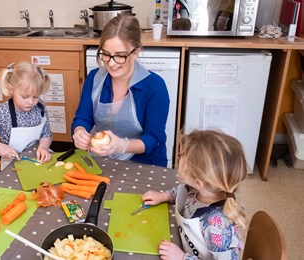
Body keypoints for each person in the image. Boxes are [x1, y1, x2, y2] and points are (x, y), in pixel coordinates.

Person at [71, 13, 170, 167]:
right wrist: (79, 132)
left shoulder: (155, 87)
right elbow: (83, 118)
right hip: (103, 159)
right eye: (106, 54)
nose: (111, 63)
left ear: (136, 52)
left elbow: (153, 139)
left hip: (144, 162)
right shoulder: (95, 79)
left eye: (120, 56)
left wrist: (122, 146)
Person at [142, 130, 247, 259]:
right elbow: (182, 191)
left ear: (198, 182)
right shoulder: (198, 188)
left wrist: (182, 257)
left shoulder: (217, 227)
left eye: (182, 158)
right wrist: (165, 196)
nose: (178, 159)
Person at [0, 61, 52, 177]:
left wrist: (43, 147)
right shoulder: (1, 112)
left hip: (37, 159)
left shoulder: (40, 106)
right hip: (12, 164)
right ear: (11, 89)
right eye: (25, 96)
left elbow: (46, 133)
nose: (31, 102)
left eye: (36, 96)